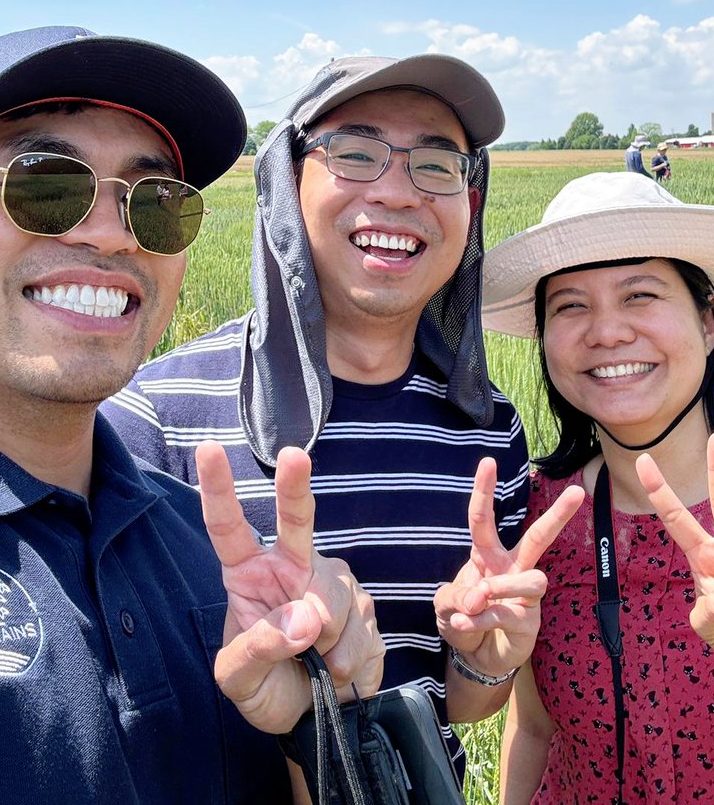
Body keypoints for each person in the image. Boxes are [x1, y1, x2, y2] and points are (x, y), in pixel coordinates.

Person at [0, 25, 384, 805]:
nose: (109, 232)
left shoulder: (202, 541)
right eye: (41, 181)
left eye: (157, 203)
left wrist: (315, 727)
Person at [103, 53, 583, 780]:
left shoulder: (489, 434)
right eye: (354, 154)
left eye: (436, 163)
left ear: (470, 204)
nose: (396, 191)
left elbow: (456, 702)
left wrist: (486, 663)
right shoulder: (154, 420)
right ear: (288, 186)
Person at [481, 172, 714, 805]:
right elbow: (536, 726)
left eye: (640, 295)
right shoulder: (544, 512)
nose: (606, 333)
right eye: (570, 305)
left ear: (707, 321)